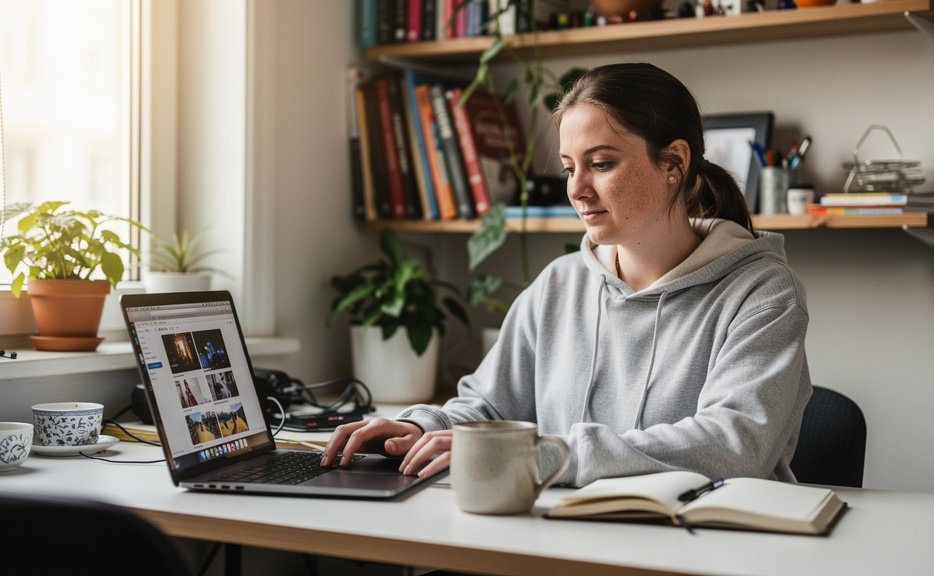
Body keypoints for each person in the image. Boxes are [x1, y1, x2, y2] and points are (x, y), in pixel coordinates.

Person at [323, 62, 812, 488]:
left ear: (675, 162)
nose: (576, 189)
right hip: (563, 541)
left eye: (600, 164)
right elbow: (491, 409)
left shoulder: (762, 292)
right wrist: (422, 427)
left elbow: (736, 444)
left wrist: (553, 456)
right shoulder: (559, 283)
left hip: (706, 550)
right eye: (568, 167)